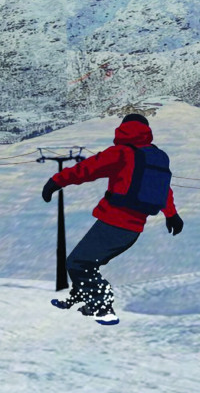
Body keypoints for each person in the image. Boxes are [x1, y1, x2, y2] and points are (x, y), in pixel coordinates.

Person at [42, 113, 183, 325]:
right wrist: (172, 215)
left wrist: (55, 182)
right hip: (134, 229)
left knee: (79, 263)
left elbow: (87, 169)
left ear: (122, 129)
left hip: (114, 222)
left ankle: (103, 306)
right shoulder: (156, 156)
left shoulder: (121, 152)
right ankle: (82, 296)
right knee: (87, 261)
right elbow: (164, 190)